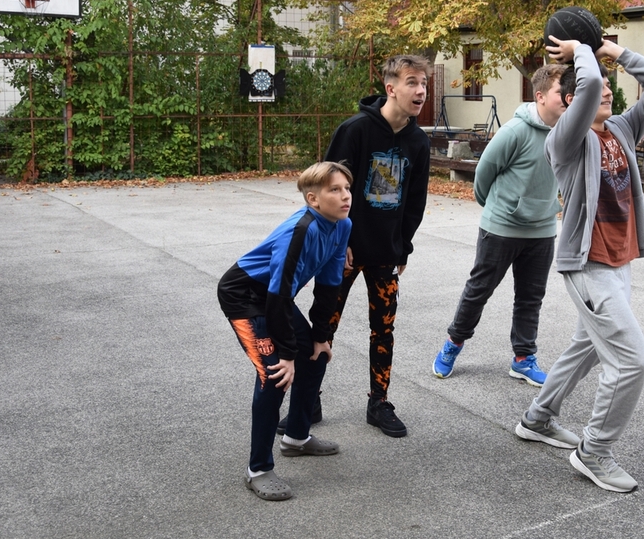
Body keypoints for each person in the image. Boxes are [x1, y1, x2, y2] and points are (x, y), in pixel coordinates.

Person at [514, 35, 644, 494]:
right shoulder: (565, 140)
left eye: (609, 85)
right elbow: (584, 91)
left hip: (620, 261)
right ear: (569, 101)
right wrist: (581, 51)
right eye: (597, 86)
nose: (606, 90)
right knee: (631, 361)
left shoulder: (621, 129)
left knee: (585, 346)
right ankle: (594, 451)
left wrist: (610, 50)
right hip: (589, 266)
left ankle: (538, 417)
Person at [217, 161, 353, 501]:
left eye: (347, 189)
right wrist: (287, 354)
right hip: (245, 296)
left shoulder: (342, 225)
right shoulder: (301, 231)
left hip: (274, 298)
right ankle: (258, 469)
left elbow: (329, 285)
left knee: (316, 356)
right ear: (313, 199)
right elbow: (278, 296)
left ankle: (296, 437)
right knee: (275, 375)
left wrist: (320, 335)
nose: (345, 196)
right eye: (335, 190)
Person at [312, 54, 432, 438]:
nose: (421, 90)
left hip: (385, 252)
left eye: (424, 83)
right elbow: (327, 189)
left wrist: (403, 247)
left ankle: (378, 403)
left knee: (384, 329)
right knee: (323, 325)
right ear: (390, 87)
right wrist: (337, 241)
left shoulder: (418, 142)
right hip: (343, 252)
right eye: (412, 82)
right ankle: (308, 399)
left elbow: (415, 201)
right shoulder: (355, 131)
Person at [432, 64, 568, 385]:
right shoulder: (515, 131)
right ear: (540, 96)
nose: (567, 98)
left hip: (542, 230)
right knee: (479, 290)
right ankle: (453, 343)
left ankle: (523, 358)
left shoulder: (566, 132)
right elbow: (484, 173)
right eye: (561, 92)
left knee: (530, 297)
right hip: (502, 228)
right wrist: (498, 209)